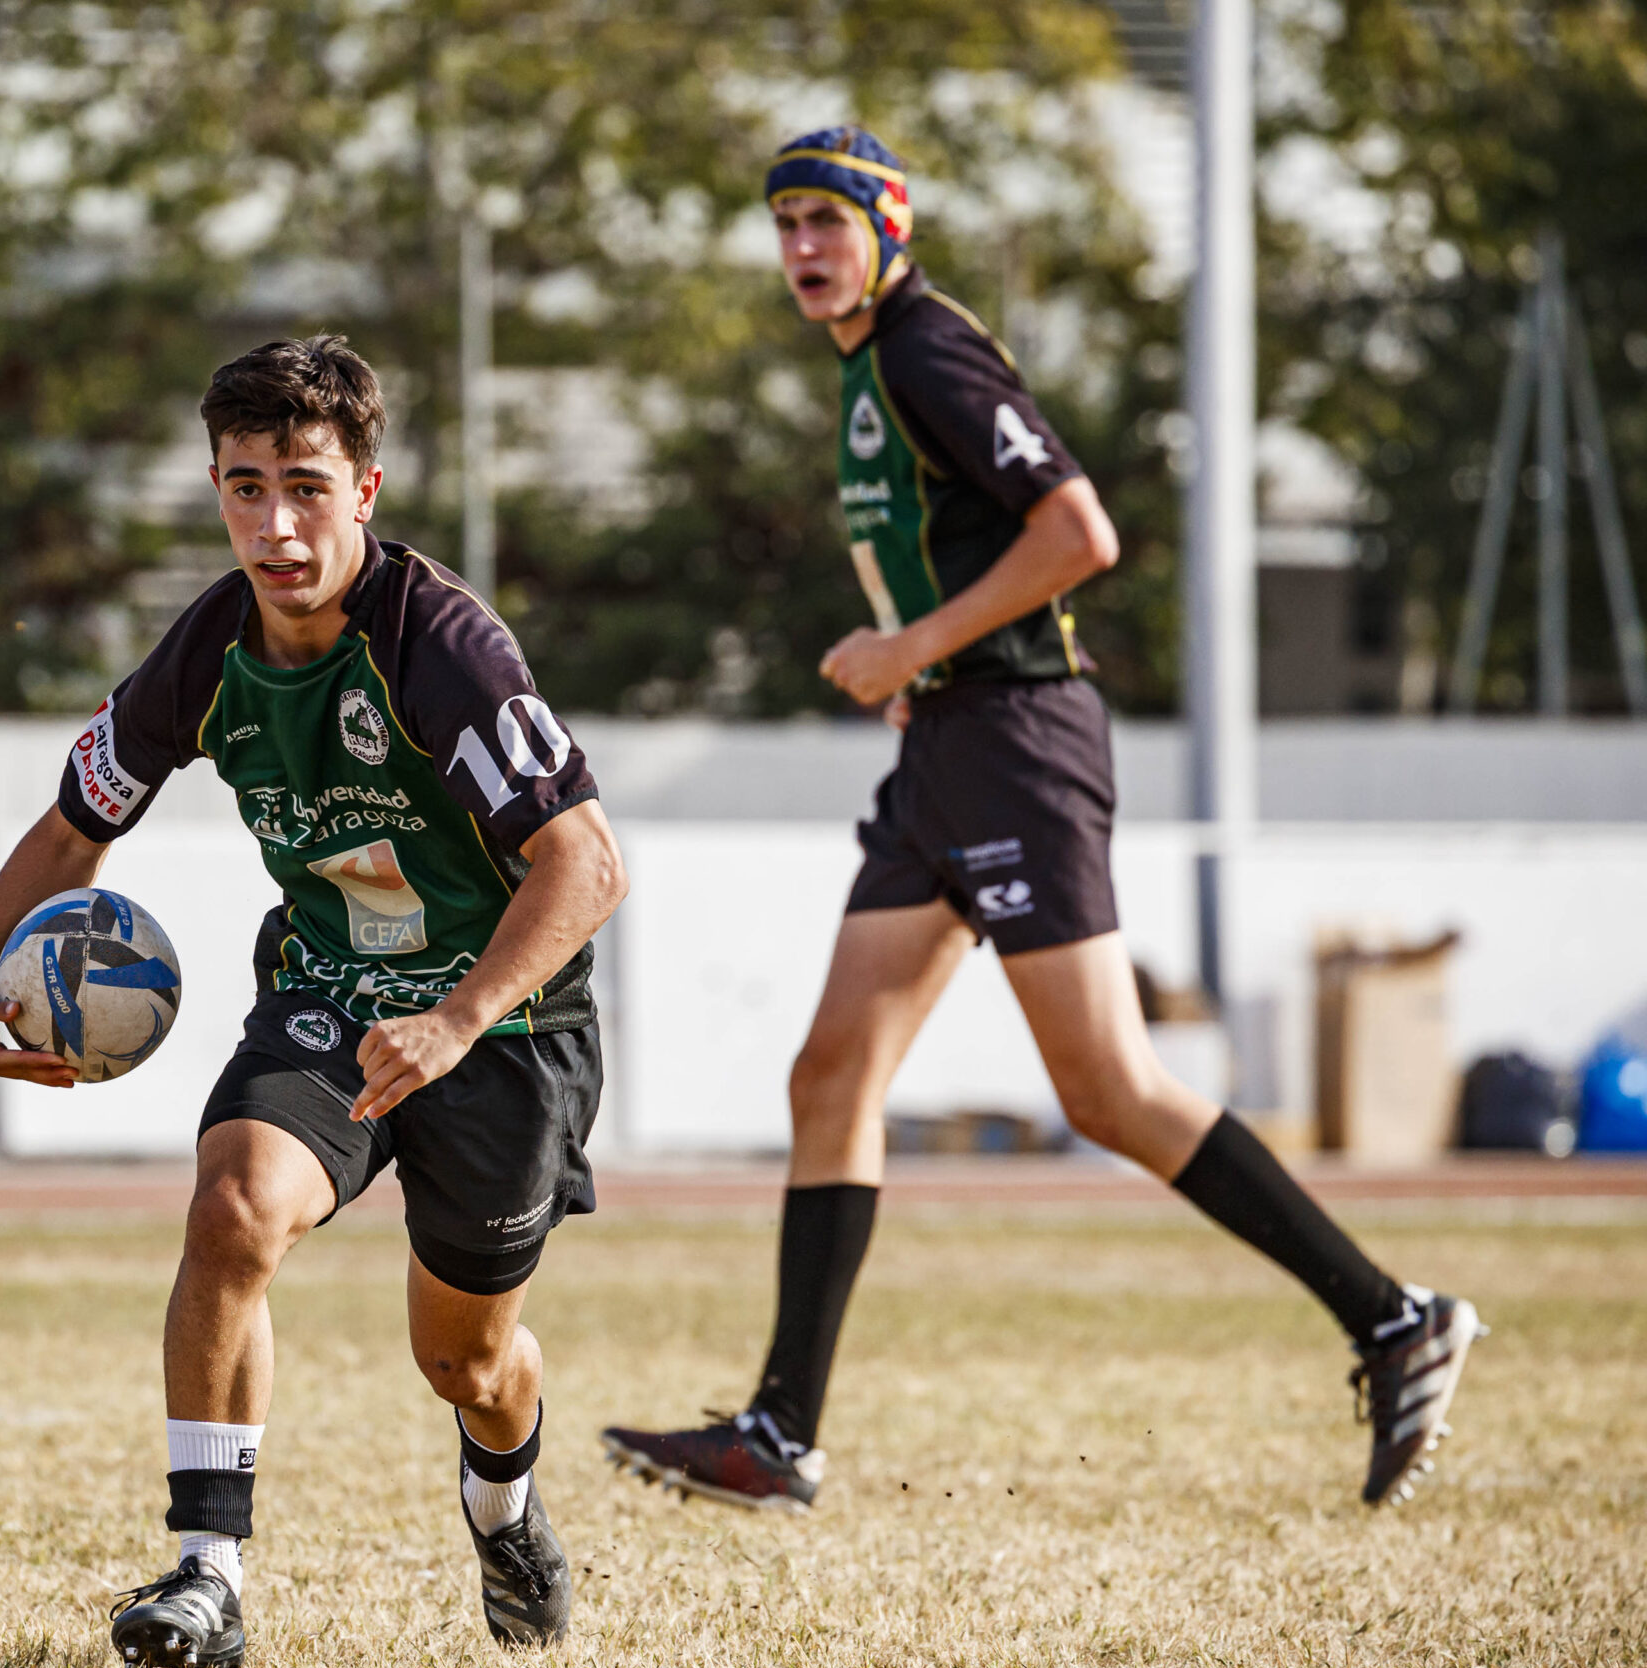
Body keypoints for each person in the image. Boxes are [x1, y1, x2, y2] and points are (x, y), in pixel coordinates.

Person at [598, 126, 1479, 1514]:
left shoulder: (925, 347)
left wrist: (917, 648)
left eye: (830, 220)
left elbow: (1078, 532)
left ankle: (1393, 1316)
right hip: (950, 748)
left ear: (888, 230)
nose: (805, 249)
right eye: (787, 226)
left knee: (1107, 1090)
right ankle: (779, 1436)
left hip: (1017, 744)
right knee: (831, 1079)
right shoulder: (869, 367)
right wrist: (920, 666)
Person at [0, 335, 627, 1668]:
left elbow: (585, 864)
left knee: (467, 1365)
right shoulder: (208, 648)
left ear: (366, 489)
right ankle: (206, 1573)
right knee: (234, 1207)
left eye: (306, 486)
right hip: (324, 991)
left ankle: (505, 1503)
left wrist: (455, 1020)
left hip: (505, 1032)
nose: (275, 523)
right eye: (245, 486)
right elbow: (81, 822)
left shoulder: (440, 648)